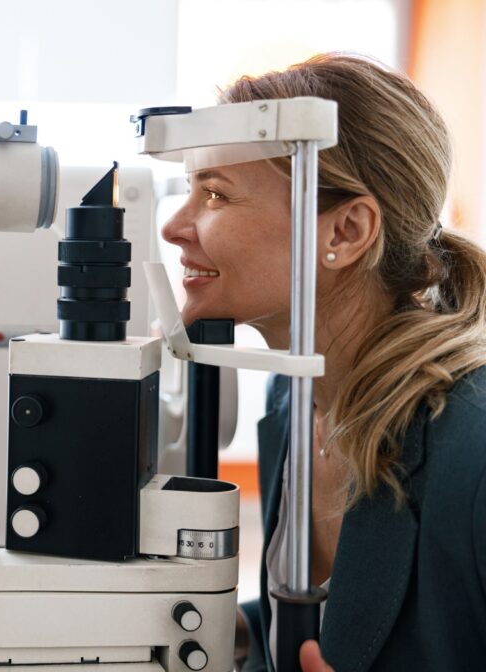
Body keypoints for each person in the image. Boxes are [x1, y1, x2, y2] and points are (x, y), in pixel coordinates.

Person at [161, 53, 486, 672]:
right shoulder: (296, 398)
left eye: (215, 194)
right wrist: (238, 631)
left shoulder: (474, 451)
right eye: (190, 191)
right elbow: (333, 620)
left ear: (345, 231)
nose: (176, 227)